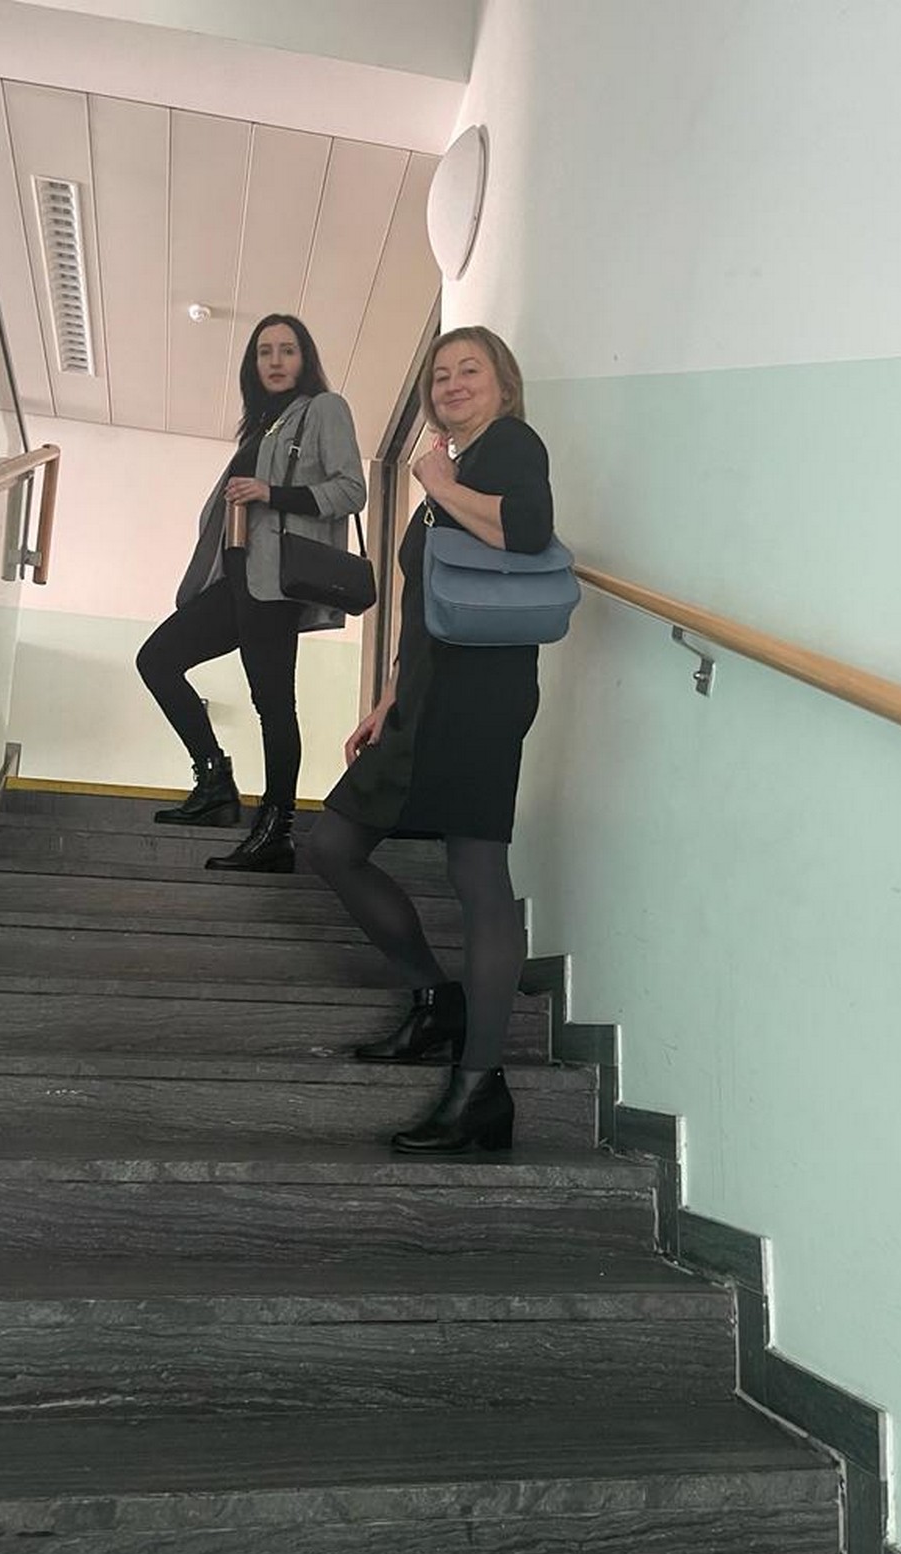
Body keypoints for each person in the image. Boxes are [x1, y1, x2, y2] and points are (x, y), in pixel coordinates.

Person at [306, 326, 556, 1156]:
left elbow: (527, 530)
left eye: (469, 370)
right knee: (334, 844)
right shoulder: (451, 467)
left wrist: (439, 481)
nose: (451, 383)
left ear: (502, 384)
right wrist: (389, 695)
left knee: (477, 873)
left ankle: (480, 1085)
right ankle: (435, 999)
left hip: (482, 697)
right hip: (426, 695)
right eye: (441, 374)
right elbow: (433, 603)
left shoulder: (509, 446)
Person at [137, 314, 366, 872]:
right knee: (157, 660)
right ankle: (215, 781)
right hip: (235, 579)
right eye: (265, 351)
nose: (276, 360)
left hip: (275, 583)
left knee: (272, 703)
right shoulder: (262, 425)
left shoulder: (324, 408)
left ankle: (276, 829)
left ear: (305, 359)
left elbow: (351, 490)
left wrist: (271, 492)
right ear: (252, 364)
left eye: (288, 349)